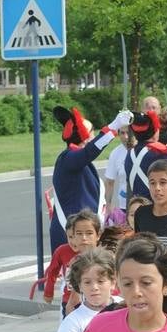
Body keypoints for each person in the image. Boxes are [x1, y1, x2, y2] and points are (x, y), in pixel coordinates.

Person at [47, 106, 132, 253]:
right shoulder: (69, 158)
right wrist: (112, 127)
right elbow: (91, 150)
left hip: (84, 232)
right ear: (86, 135)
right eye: (93, 131)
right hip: (74, 234)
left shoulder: (76, 159)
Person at [38, 209, 102, 314]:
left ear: (98, 235)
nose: (84, 238)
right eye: (78, 234)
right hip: (71, 304)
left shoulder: (104, 257)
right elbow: (53, 272)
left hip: (97, 305)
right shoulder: (68, 257)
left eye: (89, 233)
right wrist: (49, 293)